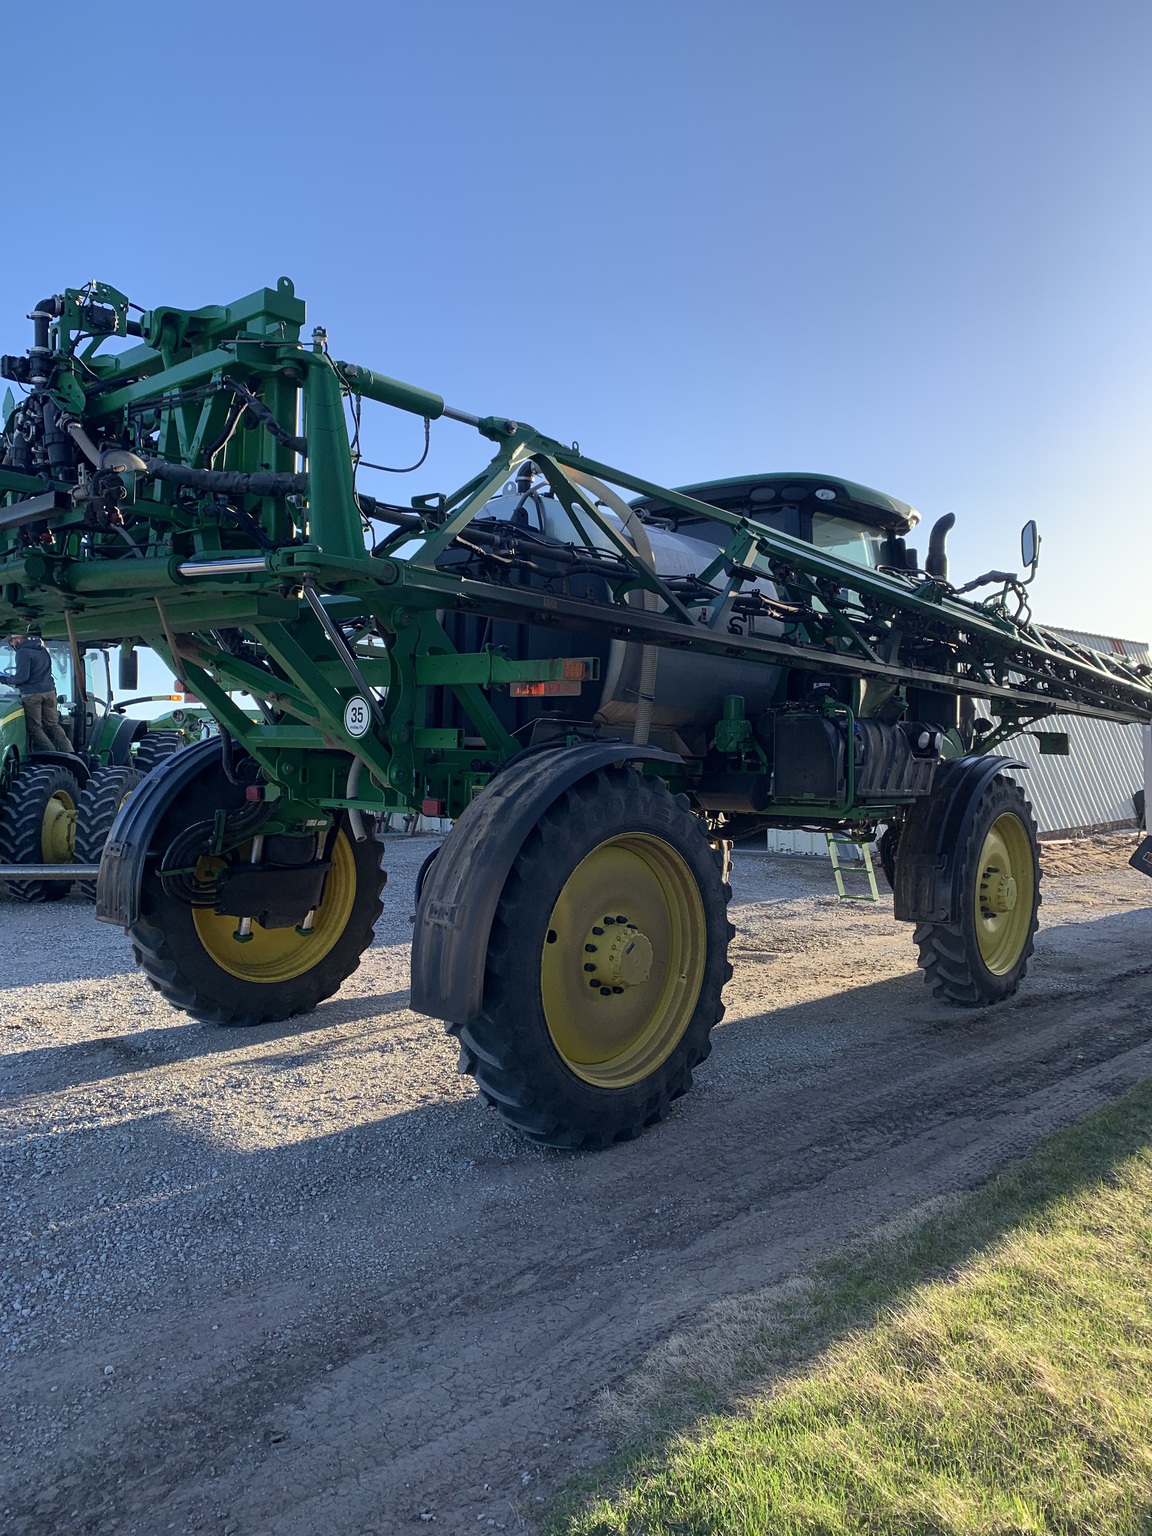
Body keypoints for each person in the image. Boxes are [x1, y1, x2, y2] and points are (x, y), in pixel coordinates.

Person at [0, 631, 74, 753]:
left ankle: (51, 754)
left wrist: (4, 679)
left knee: (35, 728)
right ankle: (69, 751)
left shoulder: (22, 652)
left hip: (32, 695)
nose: (10, 644)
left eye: (10, 641)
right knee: (53, 724)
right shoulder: (42, 650)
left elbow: (22, 678)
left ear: (18, 638)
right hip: (49, 692)